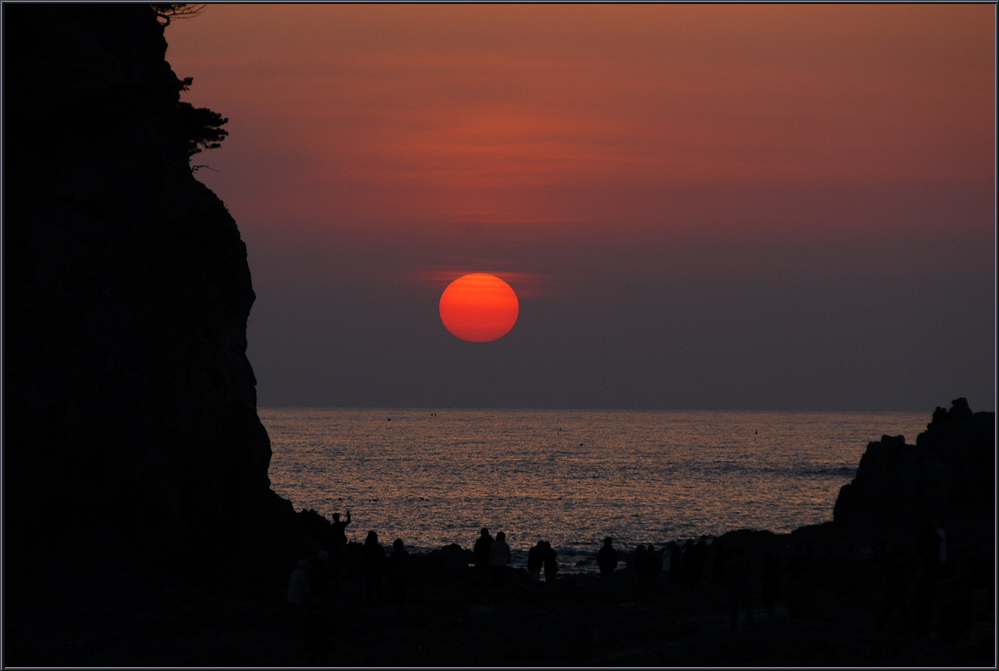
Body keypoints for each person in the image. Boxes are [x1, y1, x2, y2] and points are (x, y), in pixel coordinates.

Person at [362, 530, 385, 606]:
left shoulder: (366, 548)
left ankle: (370, 603)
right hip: (377, 569)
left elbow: (363, 558)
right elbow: (382, 559)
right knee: (378, 586)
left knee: (369, 586)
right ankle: (379, 602)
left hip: (369, 569)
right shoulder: (379, 548)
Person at [387, 538, 411, 606]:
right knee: (403, 590)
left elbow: (389, 565)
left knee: (395, 590)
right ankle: (402, 603)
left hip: (395, 575)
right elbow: (409, 564)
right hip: (403, 575)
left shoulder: (393, 554)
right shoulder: (405, 554)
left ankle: (396, 602)